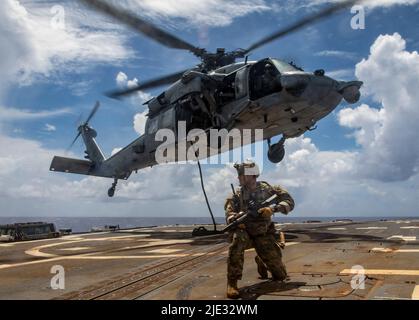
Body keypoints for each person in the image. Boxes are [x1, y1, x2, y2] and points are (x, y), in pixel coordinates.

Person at [224, 160, 295, 299]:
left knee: (280, 276)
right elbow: (228, 214)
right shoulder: (236, 196)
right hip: (245, 234)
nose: (239, 177)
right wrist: (236, 219)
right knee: (237, 240)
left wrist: (273, 208)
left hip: (263, 234)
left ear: (251, 175)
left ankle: (261, 261)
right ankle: (232, 282)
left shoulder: (270, 190)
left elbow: (289, 202)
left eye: (242, 175)